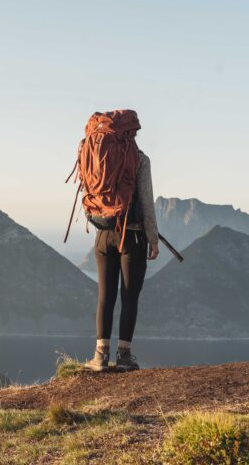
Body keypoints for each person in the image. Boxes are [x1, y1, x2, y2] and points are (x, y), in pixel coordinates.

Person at [84, 147, 159, 372]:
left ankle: (100, 355)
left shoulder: (97, 154)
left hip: (103, 235)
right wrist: (152, 238)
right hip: (132, 236)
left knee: (105, 296)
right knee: (129, 297)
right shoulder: (141, 159)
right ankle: (124, 356)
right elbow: (146, 201)